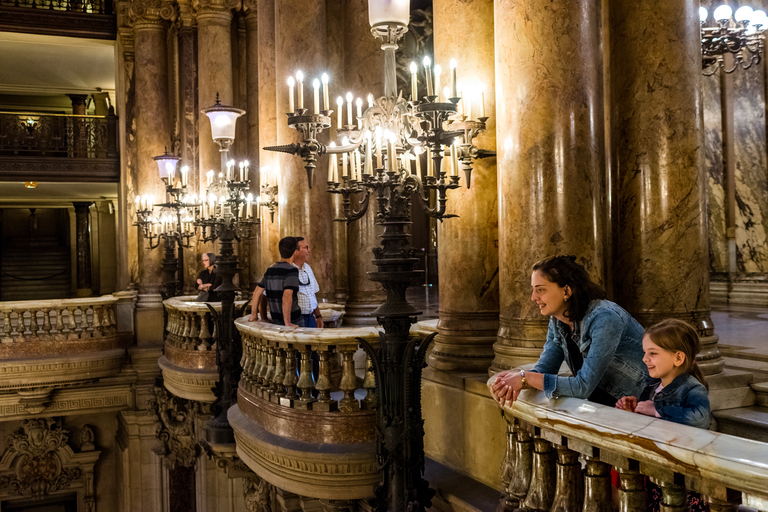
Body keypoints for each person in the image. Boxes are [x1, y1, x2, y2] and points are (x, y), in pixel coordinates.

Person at [491, 255, 648, 406]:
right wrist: (511, 382)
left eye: (540, 290)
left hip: (641, 408)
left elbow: (583, 386)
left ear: (566, 291)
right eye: (533, 290)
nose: (533, 297)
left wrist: (525, 378)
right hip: (603, 405)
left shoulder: (605, 319)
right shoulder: (557, 321)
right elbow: (545, 368)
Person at [615, 318, 711, 511]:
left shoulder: (692, 388)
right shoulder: (652, 387)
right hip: (656, 469)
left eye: (653, 353)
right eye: (645, 353)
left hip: (683, 474)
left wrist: (657, 409)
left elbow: (700, 417)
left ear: (678, 358)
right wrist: (633, 411)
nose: (645, 359)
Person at [248, 236, 302, 327]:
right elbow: (287, 295)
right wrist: (287, 322)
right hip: (294, 320)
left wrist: (254, 316)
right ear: (295, 252)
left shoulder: (270, 270)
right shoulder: (292, 271)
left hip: (276, 321)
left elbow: (256, 292)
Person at [293, 238, 324, 328]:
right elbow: (264, 294)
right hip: (296, 319)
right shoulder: (286, 269)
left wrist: (318, 316)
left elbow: (312, 294)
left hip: (310, 318)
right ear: (296, 251)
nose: (309, 251)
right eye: (306, 247)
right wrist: (263, 318)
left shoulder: (307, 268)